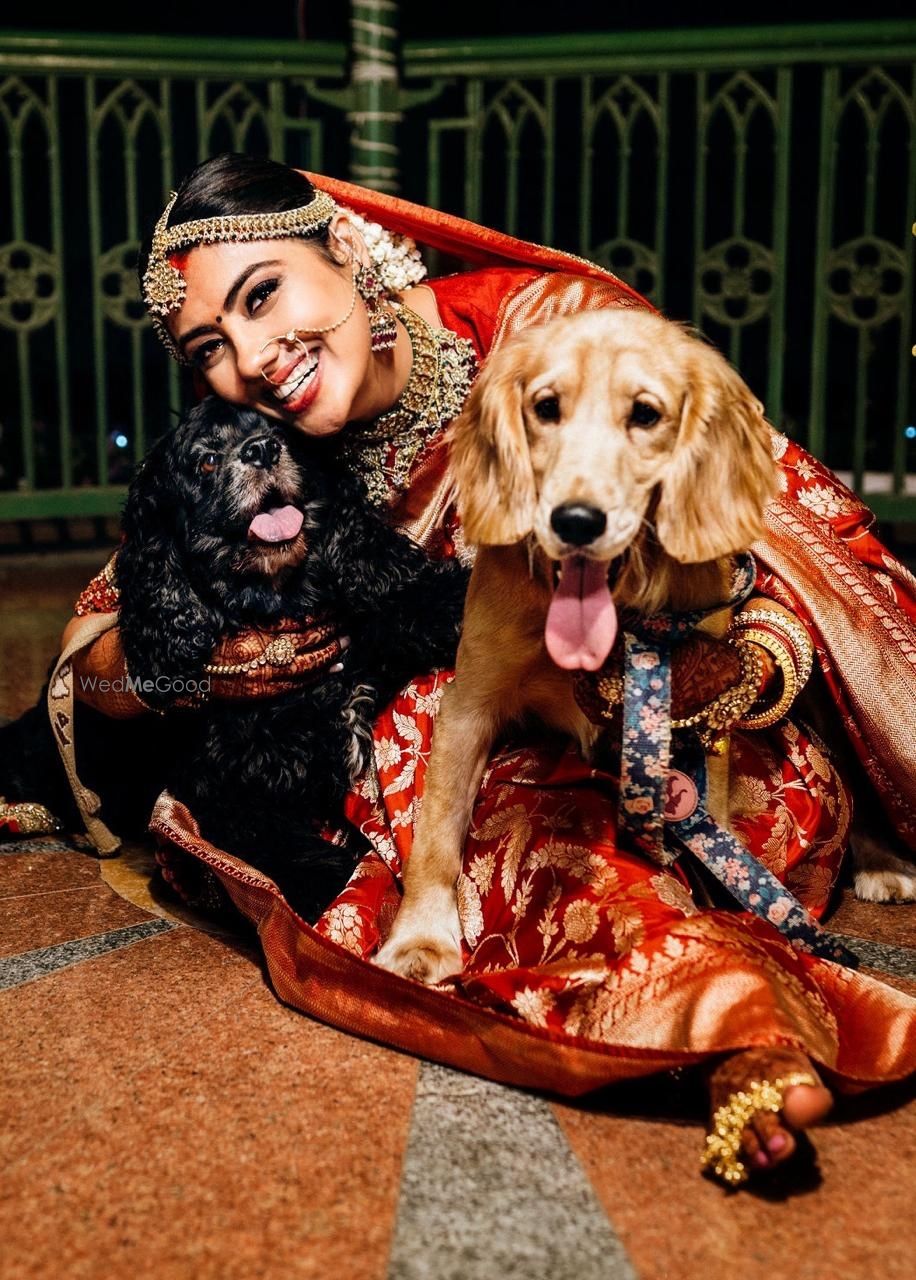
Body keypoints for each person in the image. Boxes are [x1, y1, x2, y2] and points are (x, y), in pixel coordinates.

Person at [59, 153, 915, 1189]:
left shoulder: (544, 330)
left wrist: (737, 666)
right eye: (210, 345)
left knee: (776, 797)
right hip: (499, 738)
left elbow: (793, 534)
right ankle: (731, 1024)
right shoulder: (258, 442)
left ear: (345, 246)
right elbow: (100, 649)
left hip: (686, 727)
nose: (253, 354)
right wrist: (198, 670)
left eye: (262, 294)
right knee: (450, 774)